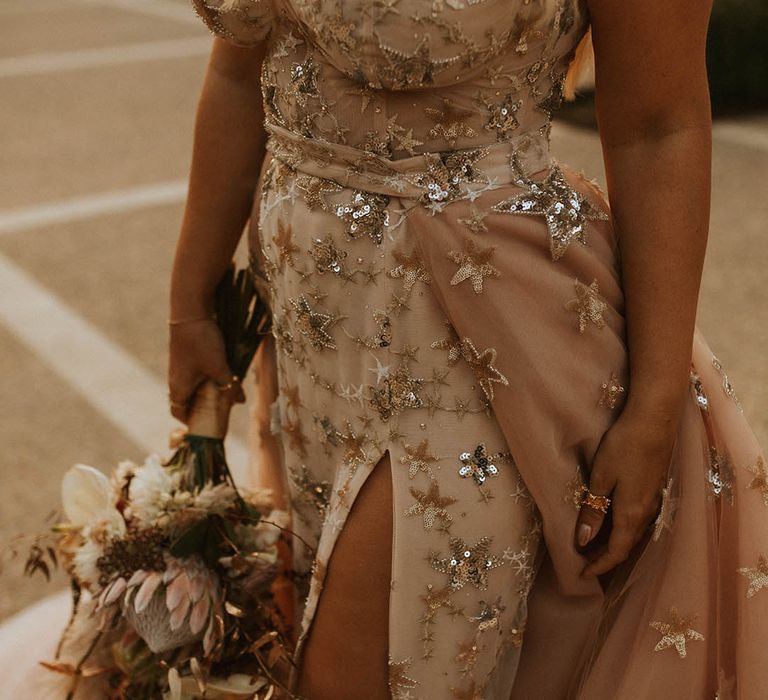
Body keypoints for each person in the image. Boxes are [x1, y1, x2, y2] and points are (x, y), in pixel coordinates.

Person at [168, 0, 768, 697]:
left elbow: (658, 126)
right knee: (295, 626)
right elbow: (244, 69)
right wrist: (190, 301)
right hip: (307, 324)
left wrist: (655, 404)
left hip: (471, 333)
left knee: (362, 671)